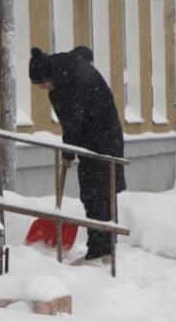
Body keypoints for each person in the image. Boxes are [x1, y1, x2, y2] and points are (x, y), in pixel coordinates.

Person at [28, 46, 126, 264]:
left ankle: (97, 253)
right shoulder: (73, 69)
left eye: (41, 83)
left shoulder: (68, 86)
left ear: (49, 76)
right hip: (108, 141)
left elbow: (73, 124)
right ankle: (107, 250)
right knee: (105, 195)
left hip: (97, 146)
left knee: (94, 196)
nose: (43, 89)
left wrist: (67, 153)